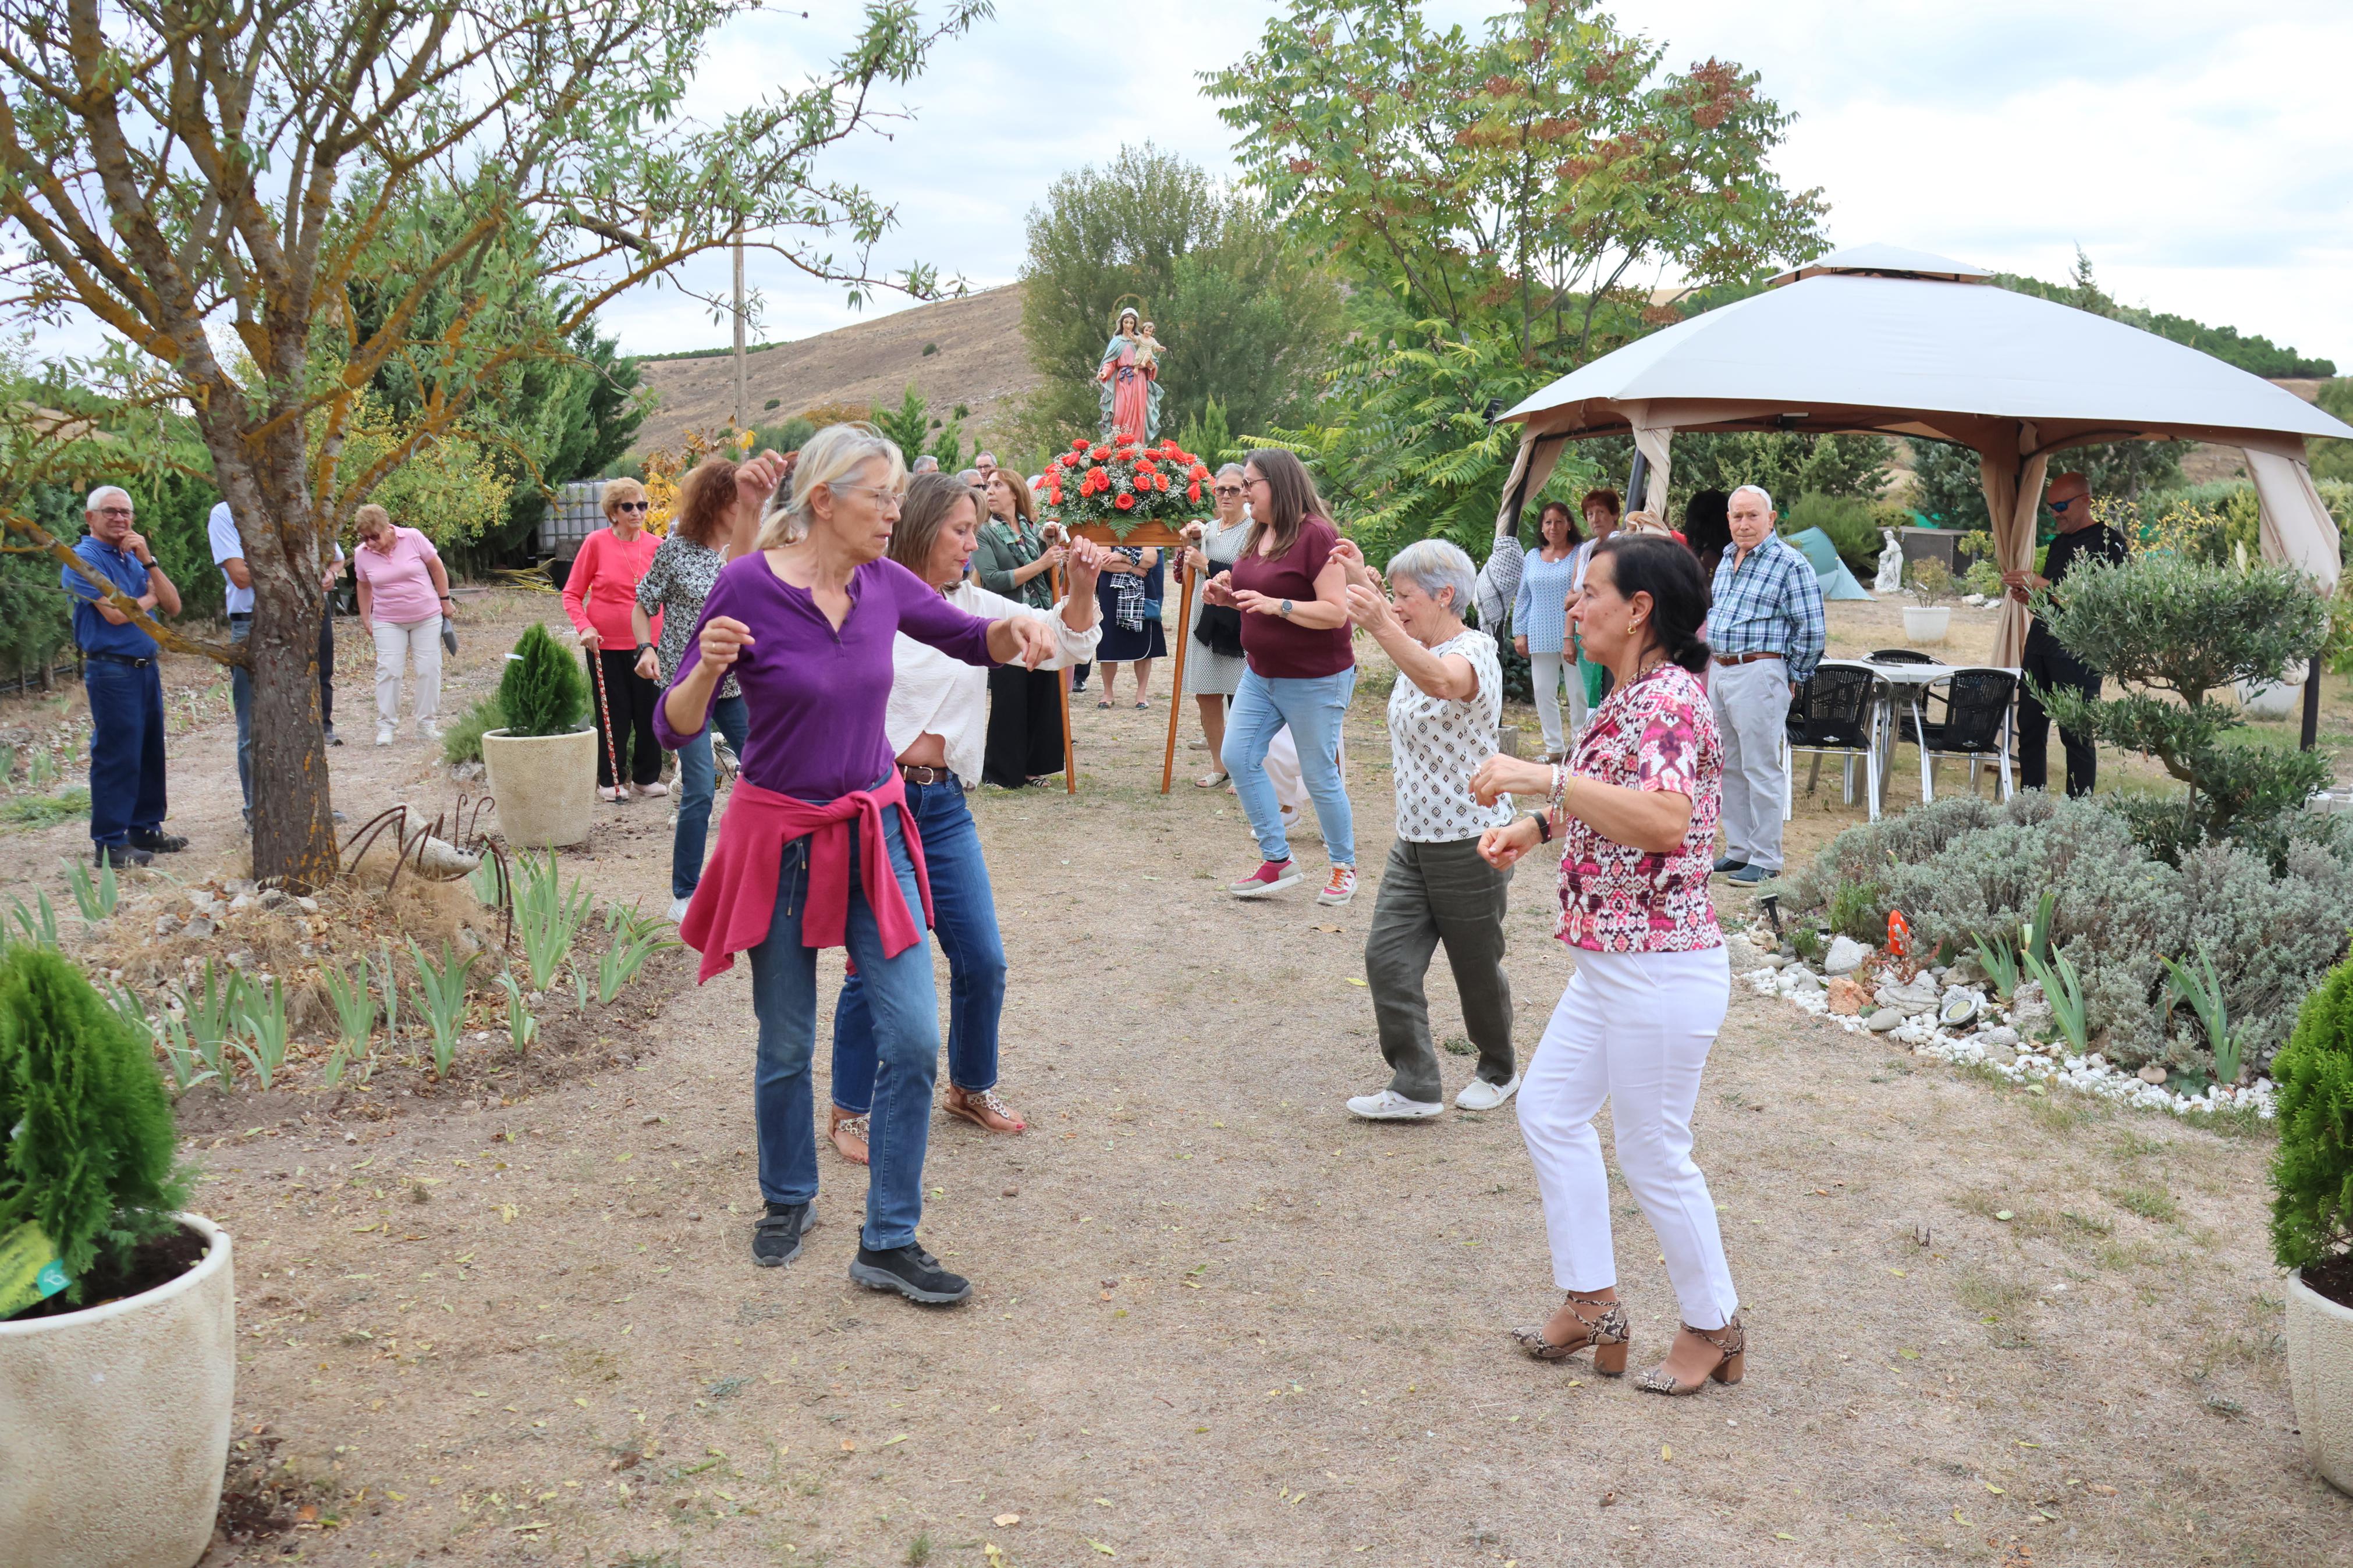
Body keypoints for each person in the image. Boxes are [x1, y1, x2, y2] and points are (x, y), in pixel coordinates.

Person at [653, 424, 1055, 1306]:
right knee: (786, 1040)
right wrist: (706, 671)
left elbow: (966, 636)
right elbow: (675, 723)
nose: (894, 513)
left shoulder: (883, 584)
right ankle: (787, 1195)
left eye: (898, 497)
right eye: (881, 496)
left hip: (875, 830)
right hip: (780, 837)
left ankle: (888, 1239)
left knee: (912, 1037)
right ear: (824, 501)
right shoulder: (747, 584)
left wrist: (1017, 626)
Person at [1470, 533, 1744, 1396]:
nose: (1571, 602)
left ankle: (1713, 1323)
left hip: (1659, 966)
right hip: (1612, 966)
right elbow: (1609, 792)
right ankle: (1592, 1301)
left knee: (1653, 1151)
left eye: (1589, 591)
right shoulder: (1628, 694)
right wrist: (1536, 826)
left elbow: (1663, 819)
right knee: (1550, 1110)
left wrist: (1540, 779)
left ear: (1639, 610)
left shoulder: (1667, 699)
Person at [827, 472, 1102, 1162]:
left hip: (944, 805)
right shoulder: (864, 598)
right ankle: (849, 1108)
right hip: (877, 806)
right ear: (921, 527)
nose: (971, 543)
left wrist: (1080, 588)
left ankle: (970, 1086)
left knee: (982, 958)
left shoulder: (975, 604)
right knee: (876, 963)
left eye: (974, 530)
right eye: (960, 529)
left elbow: (1066, 645)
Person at [1336, 539, 1518, 1120]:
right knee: (1386, 957)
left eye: (1405, 596)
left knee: (1475, 968)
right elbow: (1405, 642)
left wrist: (1379, 620)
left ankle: (1498, 1068)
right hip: (1412, 840)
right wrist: (1357, 576)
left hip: (1471, 840)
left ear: (1445, 595)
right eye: (1392, 596)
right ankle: (1414, 1085)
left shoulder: (1474, 650)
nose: (1395, 606)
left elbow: (1442, 682)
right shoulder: (1418, 645)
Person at [1205, 447, 1358, 905]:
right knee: (1237, 755)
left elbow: (1335, 612)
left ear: (1279, 484)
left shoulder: (1317, 534)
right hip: (1260, 672)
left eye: (1250, 483)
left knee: (1318, 774)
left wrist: (1279, 606)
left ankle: (1343, 867)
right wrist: (1227, 596)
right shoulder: (1258, 531)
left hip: (1315, 677)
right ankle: (1277, 859)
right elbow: (1257, 591)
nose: (1243, 492)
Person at [638, 457, 763, 920]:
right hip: (684, 685)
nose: (744, 509)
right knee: (700, 786)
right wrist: (644, 648)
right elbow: (643, 602)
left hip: (733, 687)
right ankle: (685, 893)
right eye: (736, 502)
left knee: (766, 772)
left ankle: (758, 877)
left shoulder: (748, 551)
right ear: (715, 503)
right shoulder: (675, 551)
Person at [1705, 484, 1823, 888]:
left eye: (1752, 515)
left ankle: (1767, 858)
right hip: (1721, 670)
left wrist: (1793, 675)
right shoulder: (1726, 559)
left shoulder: (1790, 563)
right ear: (1728, 520)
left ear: (1770, 519)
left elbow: (1812, 630)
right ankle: (1739, 849)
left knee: (1760, 766)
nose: (1744, 523)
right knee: (1728, 764)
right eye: (1737, 516)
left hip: (1758, 670)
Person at [65, 486, 183, 868]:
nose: (120, 518)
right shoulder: (82, 559)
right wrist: (148, 599)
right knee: (117, 754)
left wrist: (149, 562)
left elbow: (174, 605)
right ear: (91, 518)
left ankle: (145, 828)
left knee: (148, 751)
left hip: (146, 667)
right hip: (112, 669)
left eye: (125, 512)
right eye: (110, 511)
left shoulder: (132, 557)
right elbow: (116, 614)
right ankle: (110, 843)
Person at [2008, 470, 2125, 798]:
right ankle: (2031, 809)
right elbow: (2056, 601)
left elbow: (2101, 603)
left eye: (2061, 506)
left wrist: (2041, 584)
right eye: (2050, 507)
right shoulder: (2059, 544)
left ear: (2085, 501)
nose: (2055, 514)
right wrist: (2031, 598)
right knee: (2029, 731)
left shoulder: (2109, 541)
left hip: (2078, 652)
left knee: (2077, 735)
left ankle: (2078, 813)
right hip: (2040, 646)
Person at [565, 478, 665, 802]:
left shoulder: (658, 546)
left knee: (650, 712)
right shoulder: (596, 543)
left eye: (642, 505)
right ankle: (610, 780)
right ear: (613, 512)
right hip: (605, 645)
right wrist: (584, 628)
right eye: (628, 507)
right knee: (615, 713)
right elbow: (572, 594)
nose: (637, 512)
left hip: (650, 645)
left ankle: (646, 779)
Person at [973, 470, 1069, 787]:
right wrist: (1042, 563)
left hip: (1041, 616)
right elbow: (994, 579)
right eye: (988, 486)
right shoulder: (984, 532)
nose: (990, 490)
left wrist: (1056, 554)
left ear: (1015, 493)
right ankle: (1000, 773)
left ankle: (1033, 768)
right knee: (1010, 694)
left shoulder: (1034, 530)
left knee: (1042, 692)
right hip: (1006, 620)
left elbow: (1053, 577)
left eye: (997, 485)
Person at [350, 504, 453, 746]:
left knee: (429, 669)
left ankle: (426, 726)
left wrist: (445, 600)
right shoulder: (361, 554)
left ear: (388, 528)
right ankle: (386, 727)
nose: (370, 543)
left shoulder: (413, 537)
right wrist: (366, 617)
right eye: (364, 538)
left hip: (426, 615)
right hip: (387, 619)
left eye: (374, 536)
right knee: (389, 670)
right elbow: (363, 585)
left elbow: (436, 566)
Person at [1180, 464, 1251, 787]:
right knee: (1206, 694)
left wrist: (1207, 564)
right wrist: (1188, 549)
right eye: (1221, 489)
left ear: (1246, 492)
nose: (1226, 495)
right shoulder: (1206, 529)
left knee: (1241, 698)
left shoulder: (1254, 531)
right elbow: (1186, 577)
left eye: (1234, 490)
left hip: (1237, 621)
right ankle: (1219, 765)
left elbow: (1249, 575)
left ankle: (1244, 769)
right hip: (1203, 619)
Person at [1512, 500, 1585, 760]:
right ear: (1542, 527)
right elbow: (1524, 597)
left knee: (1578, 693)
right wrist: (1520, 633)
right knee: (1544, 692)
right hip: (1539, 633)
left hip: (1574, 634)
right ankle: (1554, 749)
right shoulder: (1532, 557)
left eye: (1559, 521)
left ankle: (1579, 747)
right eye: (1548, 522)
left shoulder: (1580, 554)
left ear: (1569, 525)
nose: (1554, 527)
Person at [1091, 544, 1165, 707]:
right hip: (1111, 588)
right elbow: (1102, 561)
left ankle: (1141, 694)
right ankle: (1108, 693)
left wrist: (1123, 557)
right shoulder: (1106, 531)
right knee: (1109, 641)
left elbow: (1150, 560)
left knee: (1143, 640)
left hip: (1142, 587)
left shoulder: (1143, 532)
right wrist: (1132, 568)